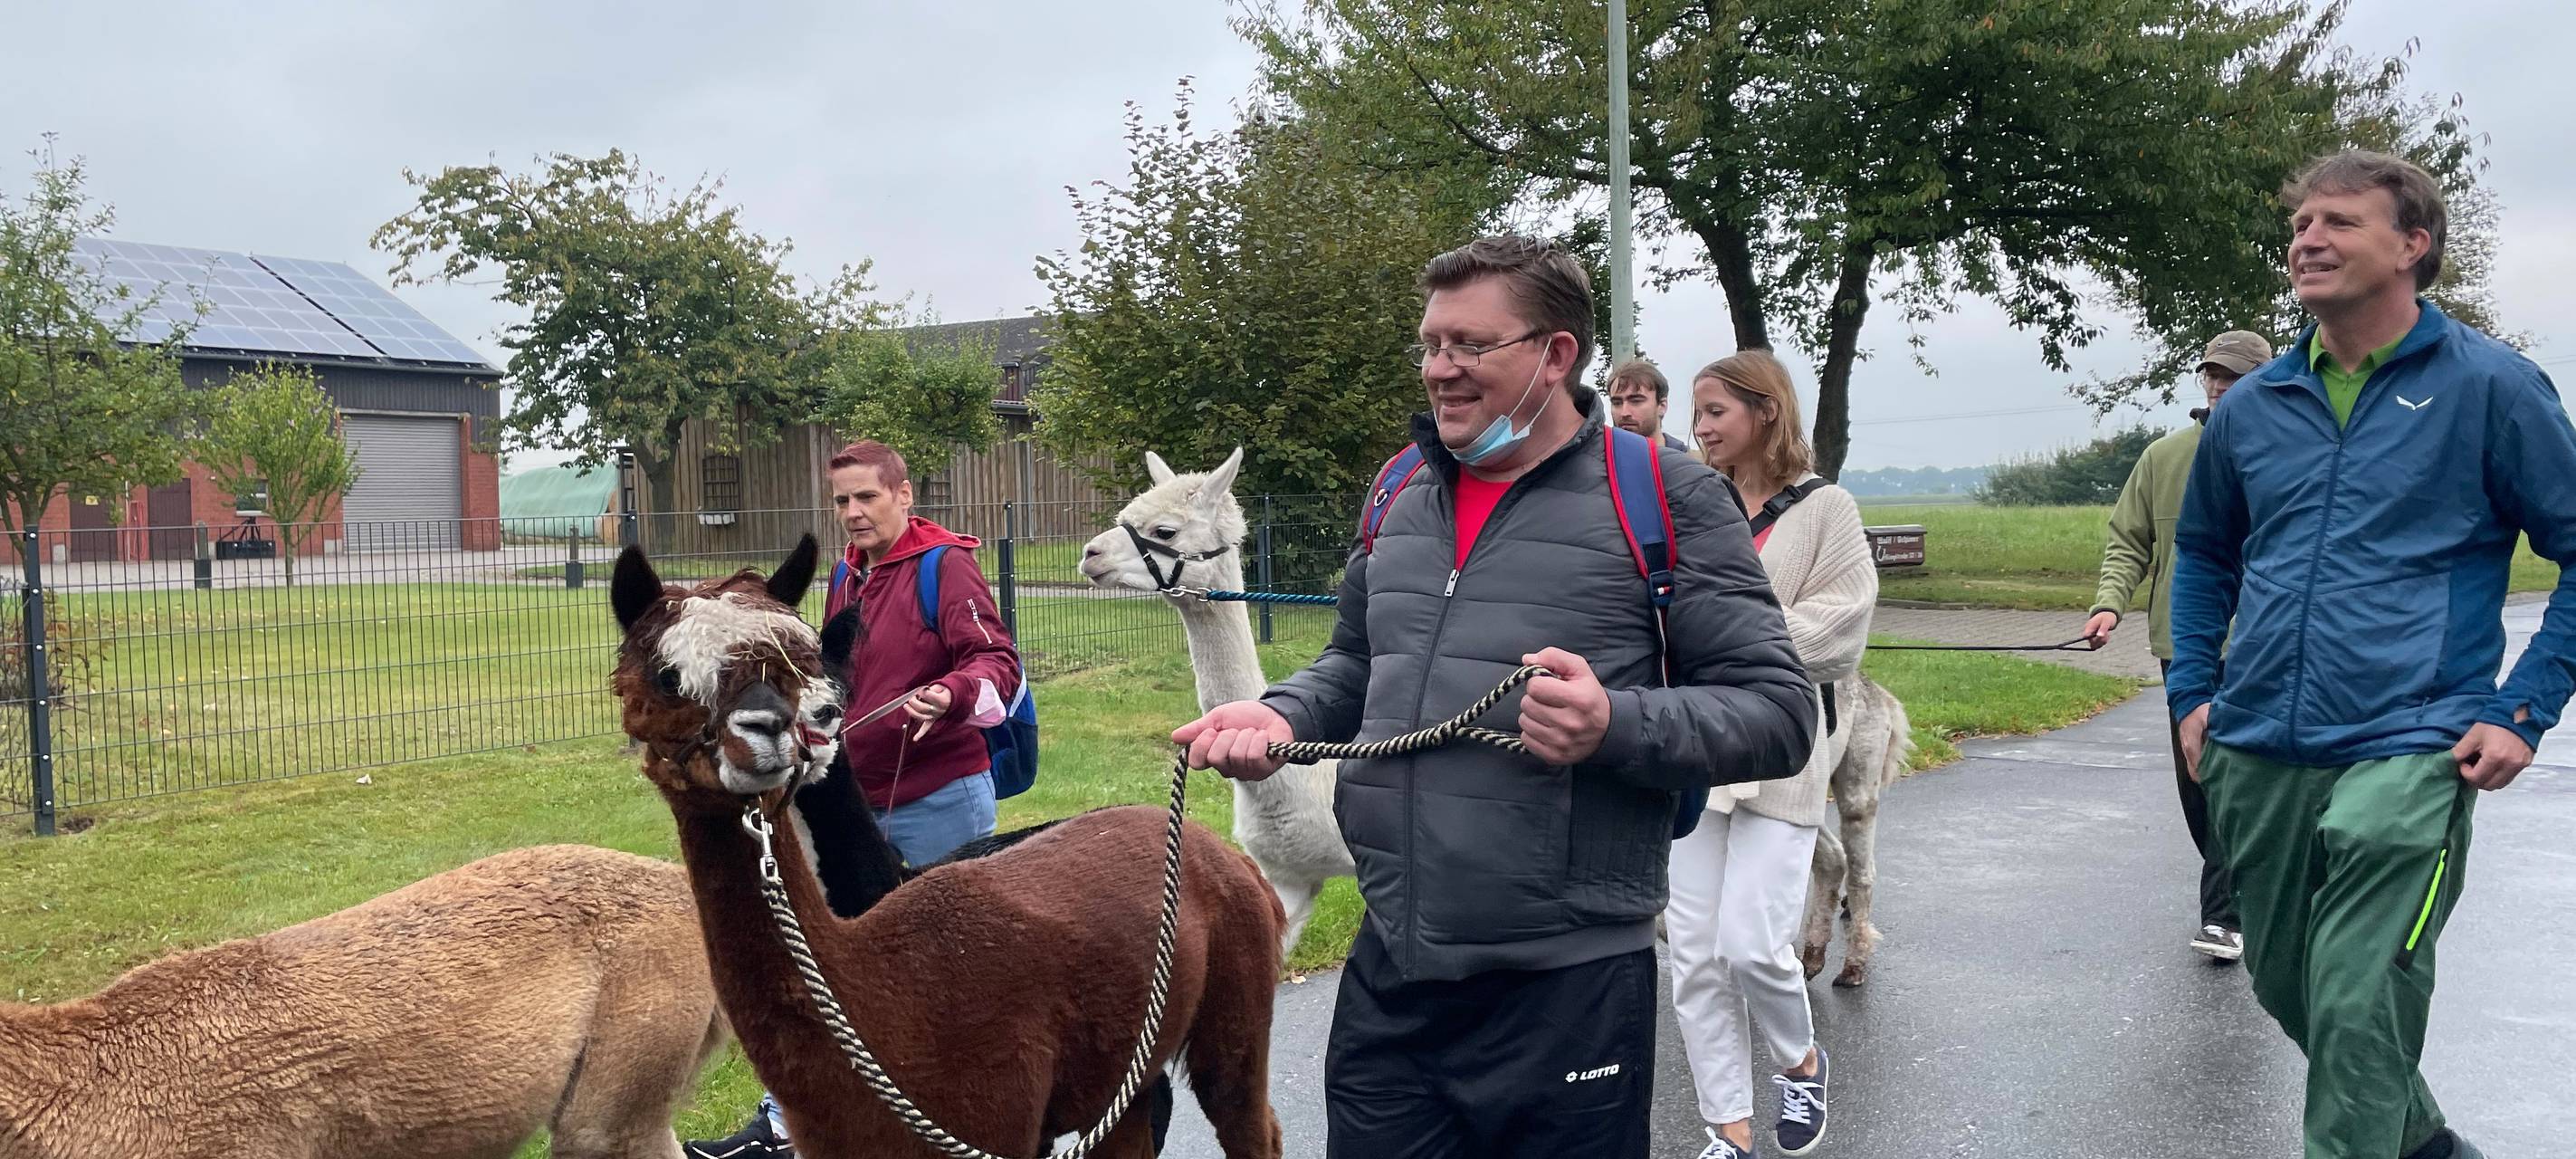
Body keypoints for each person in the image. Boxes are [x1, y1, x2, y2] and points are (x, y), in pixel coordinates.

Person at [1175, 235, 1817, 1159]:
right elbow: (1358, 659)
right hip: (1392, 975)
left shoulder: (1663, 495)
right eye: (1431, 344)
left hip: (1569, 990)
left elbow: (1780, 712)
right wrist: (1283, 712)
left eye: (1470, 345)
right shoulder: (1400, 487)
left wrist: (1614, 723)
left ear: (1556, 354)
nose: (1439, 369)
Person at [2169, 149, 2576, 1159]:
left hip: (2412, 738)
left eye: (2339, 222)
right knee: (2291, 985)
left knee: (2356, 997)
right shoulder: (2254, 404)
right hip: (2258, 741)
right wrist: (2192, 690)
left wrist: (2522, 707)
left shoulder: (2491, 386)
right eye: (2300, 225)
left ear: (2411, 245)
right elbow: (2204, 552)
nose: (2307, 240)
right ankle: (2429, 1148)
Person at [685, 438, 1023, 1159]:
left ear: (903, 495)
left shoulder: (943, 566)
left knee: (945, 977)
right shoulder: (848, 573)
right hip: (852, 804)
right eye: (842, 500)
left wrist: (950, 692)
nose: (853, 512)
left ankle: (958, 1122)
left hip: (940, 797)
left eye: (867, 496)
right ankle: (789, 1123)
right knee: (832, 963)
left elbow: (997, 661)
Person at [1665, 350, 1873, 1159]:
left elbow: (1840, 629)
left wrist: (1717, 637)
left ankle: (1801, 1060)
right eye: (1697, 412)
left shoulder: (1827, 510)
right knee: (1694, 956)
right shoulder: (1693, 502)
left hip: (1784, 749)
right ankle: (1728, 1125)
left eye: (1716, 411)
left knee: (1752, 944)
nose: (1701, 427)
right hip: (1698, 745)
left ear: (1767, 412)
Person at [2081, 328, 2272, 963]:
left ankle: (2225, 914)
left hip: (2264, 646)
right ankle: (2242, 892)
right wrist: (2110, 604)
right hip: (2184, 644)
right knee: (2197, 779)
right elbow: (2128, 540)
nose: (2219, 385)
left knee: (2237, 775)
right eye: (2213, 374)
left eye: (2233, 376)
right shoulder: (2164, 457)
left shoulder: (2287, 451)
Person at [1607, 357, 1693, 453]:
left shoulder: (1686, 460)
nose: (1624, 413)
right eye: (1617, 403)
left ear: (1662, 406)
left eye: (1636, 401)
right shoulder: (1600, 459)